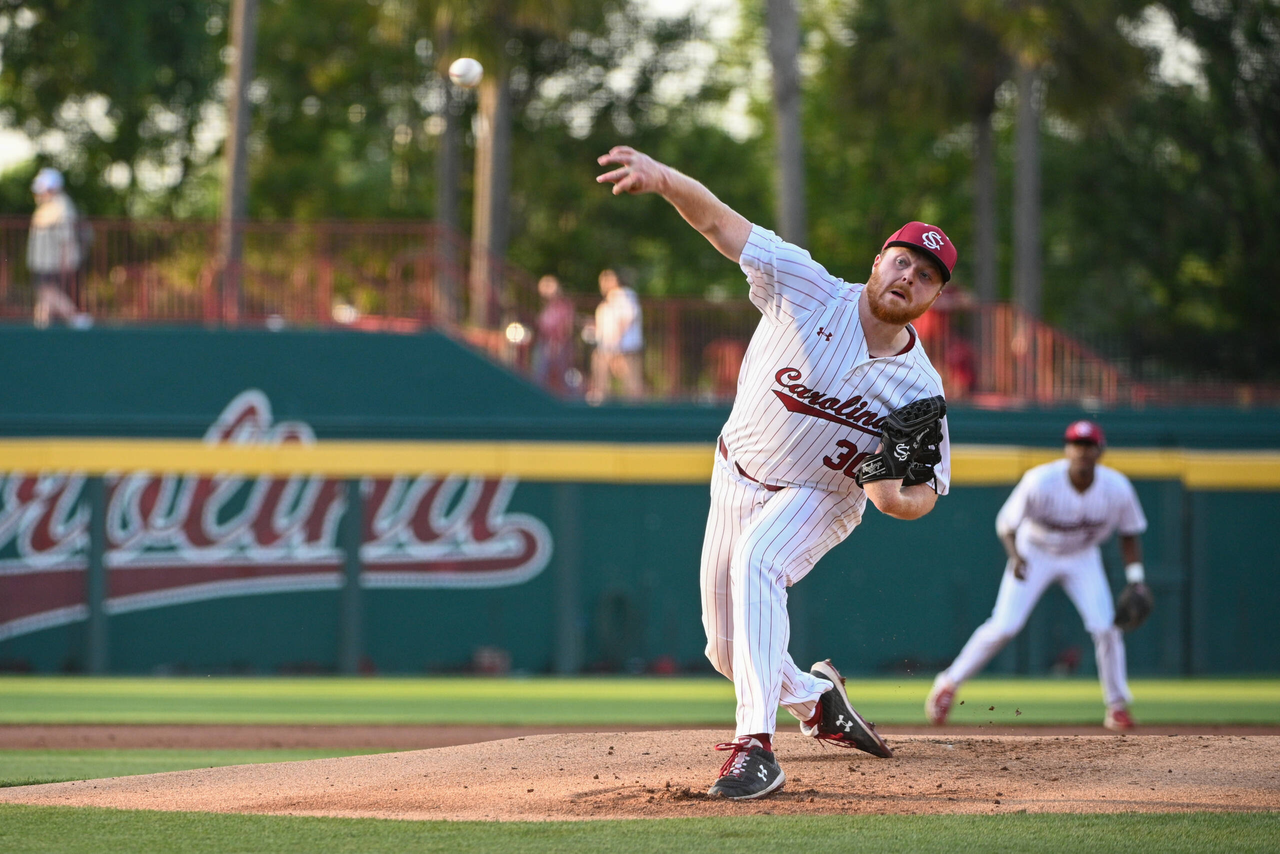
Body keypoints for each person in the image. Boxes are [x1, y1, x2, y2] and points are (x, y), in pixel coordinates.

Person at [597, 145, 956, 800]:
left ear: (934, 296)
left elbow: (925, 492)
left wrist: (892, 499)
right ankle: (817, 700)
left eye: (926, 275)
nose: (909, 276)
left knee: (759, 560)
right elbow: (719, 223)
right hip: (736, 472)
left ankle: (755, 751)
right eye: (902, 260)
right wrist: (666, 179)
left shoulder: (919, 390)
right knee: (726, 651)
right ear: (878, 261)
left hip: (823, 495)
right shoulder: (806, 285)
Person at [925, 419, 1148, 731]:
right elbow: (1006, 524)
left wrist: (1136, 579)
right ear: (1067, 449)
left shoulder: (1117, 488)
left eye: (1088, 445)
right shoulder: (1041, 481)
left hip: (1083, 556)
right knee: (1005, 625)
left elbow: (1130, 533)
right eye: (1076, 444)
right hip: (1034, 552)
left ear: (1100, 450)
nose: (1082, 451)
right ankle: (948, 683)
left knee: (1106, 628)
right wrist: (1015, 556)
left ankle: (1117, 706)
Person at [27, 167, 90, 329]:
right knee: (44, 296)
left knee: (47, 291)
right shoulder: (47, 206)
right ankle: (42, 325)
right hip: (44, 262)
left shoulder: (61, 206)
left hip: (53, 262)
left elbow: (66, 238)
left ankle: (75, 317)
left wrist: (65, 261)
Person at [586, 268, 643, 403]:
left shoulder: (624, 295)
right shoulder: (607, 301)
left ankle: (637, 410)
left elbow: (626, 319)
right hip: (607, 347)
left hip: (624, 348)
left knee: (632, 384)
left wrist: (615, 342)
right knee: (601, 379)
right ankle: (600, 403)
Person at [531, 274, 577, 395]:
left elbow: (566, 327)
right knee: (541, 373)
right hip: (545, 343)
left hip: (558, 344)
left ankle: (568, 397)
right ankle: (539, 395)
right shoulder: (547, 307)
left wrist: (558, 342)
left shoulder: (563, 306)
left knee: (561, 374)